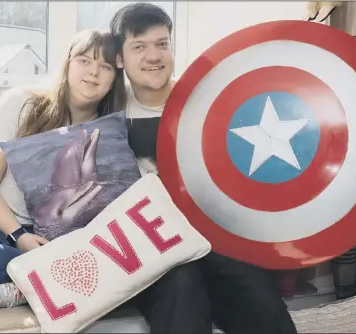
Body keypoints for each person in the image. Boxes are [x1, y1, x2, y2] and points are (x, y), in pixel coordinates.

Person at [110, 3, 298, 334]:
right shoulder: (111, 111)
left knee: (259, 298)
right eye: (139, 46)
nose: (153, 56)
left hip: (215, 237)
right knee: (182, 289)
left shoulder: (208, 100)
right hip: (153, 247)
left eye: (162, 44)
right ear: (120, 58)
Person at [0, 29, 127, 312]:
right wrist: (19, 237)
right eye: (84, 60)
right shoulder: (21, 103)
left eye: (104, 66)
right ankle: (59, 286)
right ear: (67, 62)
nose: (93, 72)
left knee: (123, 265)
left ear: (115, 78)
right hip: (1, 227)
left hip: (65, 242)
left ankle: (19, 291)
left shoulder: (112, 130)